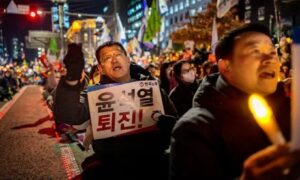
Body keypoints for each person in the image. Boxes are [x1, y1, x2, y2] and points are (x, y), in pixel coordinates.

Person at [170, 24, 300, 179]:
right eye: (255, 52)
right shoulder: (195, 129)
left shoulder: (291, 105)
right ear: (226, 66)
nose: (270, 60)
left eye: (273, 52)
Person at [53, 42, 177, 180]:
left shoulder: (152, 89)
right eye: (107, 58)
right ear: (101, 69)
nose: (114, 59)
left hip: (155, 165)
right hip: (112, 168)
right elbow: (68, 114)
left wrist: (170, 126)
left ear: (128, 60)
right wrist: (71, 79)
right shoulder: (95, 96)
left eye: (118, 54)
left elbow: (176, 123)